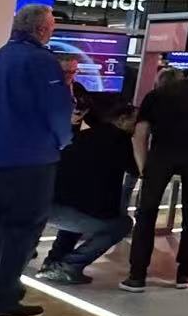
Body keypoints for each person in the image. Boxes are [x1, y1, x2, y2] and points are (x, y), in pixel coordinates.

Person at [0, 4, 71, 316]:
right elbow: (57, 111)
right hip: (31, 159)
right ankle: (4, 302)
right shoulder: (42, 62)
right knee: (21, 230)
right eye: (51, 26)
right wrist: (63, 140)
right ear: (41, 29)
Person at [122, 67, 188, 292]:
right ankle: (183, 275)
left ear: (160, 83)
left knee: (147, 212)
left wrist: (144, 169)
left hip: (163, 153)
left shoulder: (154, 96)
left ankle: (136, 276)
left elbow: (140, 135)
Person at [37, 98, 138, 284]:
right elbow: (137, 169)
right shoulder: (120, 140)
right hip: (69, 212)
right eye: (136, 122)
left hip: (47, 205)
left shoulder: (85, 136)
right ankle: (69, 266)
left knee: (80, 214)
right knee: (122, 224)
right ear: (122, 119)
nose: (137, 128)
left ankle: (53, 262)